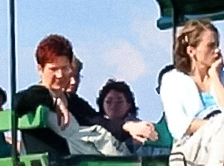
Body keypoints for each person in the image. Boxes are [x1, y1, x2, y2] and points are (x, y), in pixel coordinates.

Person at [13, 35, 156, 158]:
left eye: (65, 68)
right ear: (40, 69)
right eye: (53, 69)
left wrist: (129, 126)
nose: (60, 75)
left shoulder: (72, 100)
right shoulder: (34, 96)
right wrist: (53, 99)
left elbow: (98, 121)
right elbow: (19, 102)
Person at [161, 18, 224, 166]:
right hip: (187, 151)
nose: (217, 51)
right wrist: (217, 126)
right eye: (211, 46)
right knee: (223, 121)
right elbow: (179, 126)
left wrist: (215, 77)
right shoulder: (172, 80)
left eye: (218, 45)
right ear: (191, 51)